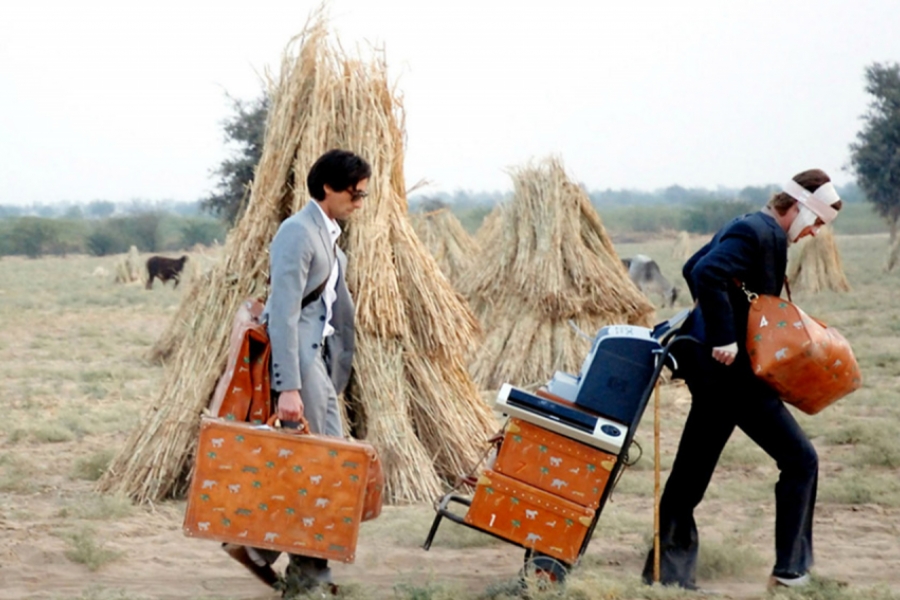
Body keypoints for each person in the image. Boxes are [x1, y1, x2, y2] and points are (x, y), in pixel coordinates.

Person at [642, 169, 842, 591]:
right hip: (732, 375)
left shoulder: (747, 224)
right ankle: (791, 573)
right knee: (800, 459)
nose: (816, 232)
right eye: (818, 222)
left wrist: (722, 316)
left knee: (691, 473)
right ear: (802, 208)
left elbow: (691, 264)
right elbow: (707, 273)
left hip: (713, 374)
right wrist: (723, 336)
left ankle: (667, 575)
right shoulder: (761, 233)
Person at [223, 149, 371, 597]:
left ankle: (272, 556)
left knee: (322, 464)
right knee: (323, 464)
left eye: (364, 193)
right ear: (328, 187)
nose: (361, 200)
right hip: (300, 364)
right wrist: (288, 388)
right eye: (355, 192)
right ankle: (296, 568)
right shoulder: (297, 231)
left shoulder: (328, 235)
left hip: (318, 360)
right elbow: (283, 312)